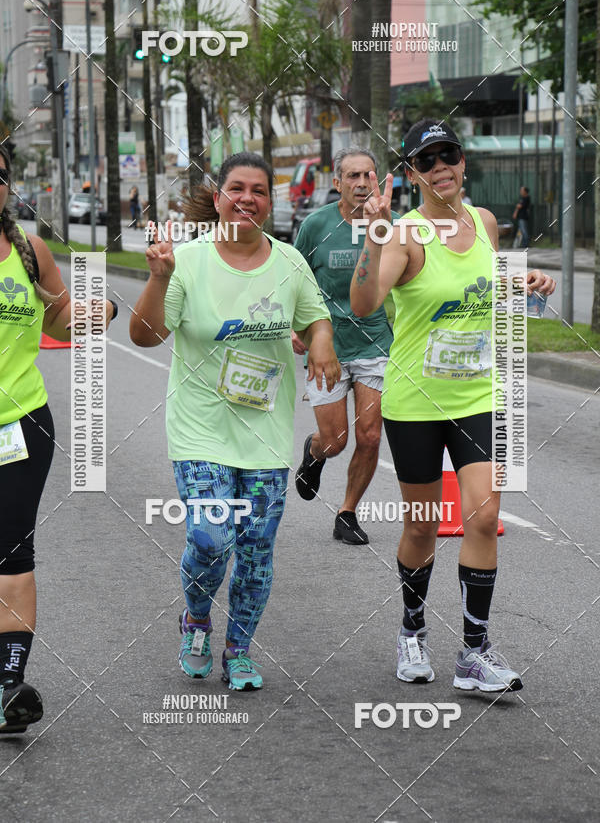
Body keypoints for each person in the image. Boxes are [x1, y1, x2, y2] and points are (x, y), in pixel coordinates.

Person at [350, 119, 555, 692]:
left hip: (477, 396)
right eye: (428, 159)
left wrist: (526, 283)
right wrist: (374, 236)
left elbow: (482, 289)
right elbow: (365, 303)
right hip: (415, 403)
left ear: (464, 164)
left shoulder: (485, 223)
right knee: (421, 526)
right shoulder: (406, 235)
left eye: (451, 155)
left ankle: (473, 651)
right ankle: (412, 630)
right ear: (413, 173)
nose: (442, 166)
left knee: (484, 515)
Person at [130, 152, 339, 691]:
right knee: (210, 538)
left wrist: (320, 345)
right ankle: (197, 618)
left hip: (265, 435)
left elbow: (317, 318)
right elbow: (145, 336)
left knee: (256, 550)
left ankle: (239, 650)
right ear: (219, 196)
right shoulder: (189, 260)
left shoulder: (290, 262)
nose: (248, 198)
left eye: (260, 191)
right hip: (200, 430)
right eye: (237, 188)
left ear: (271, 203)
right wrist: (157, 279)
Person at [0, 145, 116, 732]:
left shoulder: (28, 248)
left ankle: (7, 690)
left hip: (20, 425)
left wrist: (104, 308)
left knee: (12, 557)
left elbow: (58, 319)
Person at [293, 147, 396, 546]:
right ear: (336, 183)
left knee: (370, 436)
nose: (361, 183)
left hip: (375, 343)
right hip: (327, 347)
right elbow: (290, 278)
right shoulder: (316, 226)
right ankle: (314, 453)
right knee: (336, 441)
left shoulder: (390, 223)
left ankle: (347, 512)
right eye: (352, 176)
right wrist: (293, 328)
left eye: (368, 176)